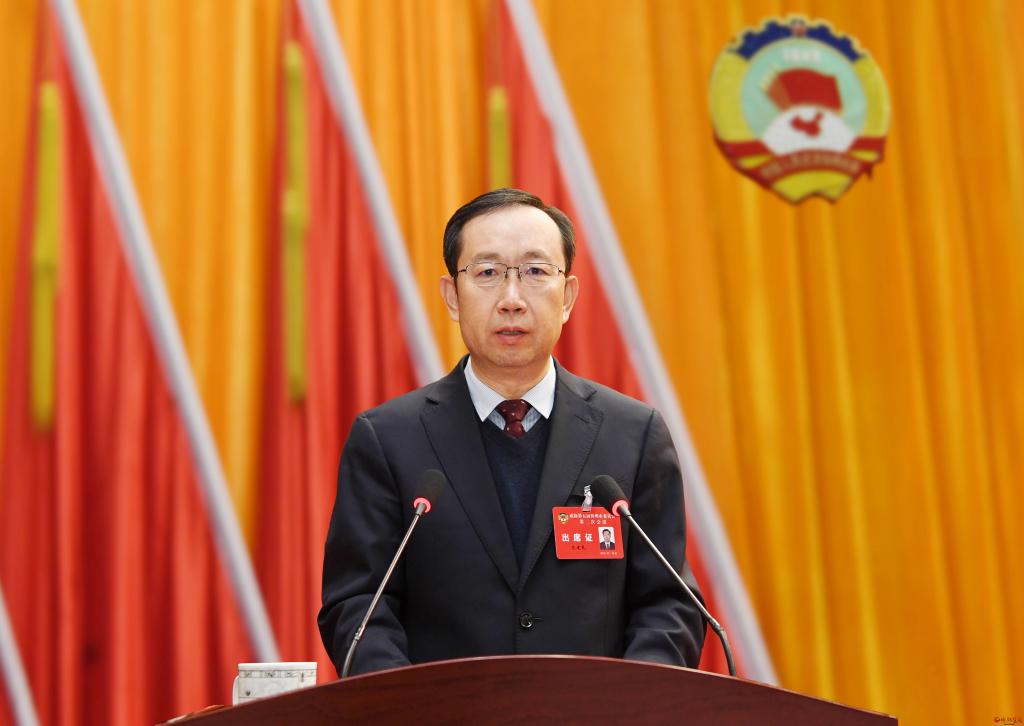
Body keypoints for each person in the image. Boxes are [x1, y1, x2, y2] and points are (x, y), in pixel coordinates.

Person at [319, 188, 705, 675]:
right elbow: (358, 605)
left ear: (567, 296)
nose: (512, 300)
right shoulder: (388, 439)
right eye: (487, 273)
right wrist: (410, 707)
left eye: (535, 271)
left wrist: (627, 704)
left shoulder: (632, 434)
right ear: (452, 296)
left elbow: (669, 604)